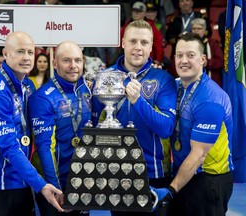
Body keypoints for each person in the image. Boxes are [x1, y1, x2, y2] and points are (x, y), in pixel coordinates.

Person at [0, 31, 64, 216]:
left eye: (30, 52)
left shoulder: (28, 86)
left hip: (19, 177)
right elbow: (9, 147)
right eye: (20, 52)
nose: (26, 57)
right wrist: (41, 185)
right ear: (6, 54)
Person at [92, 19, 177, 216]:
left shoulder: (163, 80)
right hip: (116, 172)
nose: (138, 48)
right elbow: (93, 126)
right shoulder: (105, 77)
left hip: (153, 175)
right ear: (123, 43)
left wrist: (138, 100)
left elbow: (166, 128)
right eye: (133, 41)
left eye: (144, 43)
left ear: (151, 46)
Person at [151, 32, 234, 216]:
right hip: (183, 175)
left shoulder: (210, 99)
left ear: (203, 59)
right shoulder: (176, 86)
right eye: (179, 55)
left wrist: (171, 190)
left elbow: (199, 155)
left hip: (209, 179)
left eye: (190, 55)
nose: (184, 60)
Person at [28, 40, 92, 216]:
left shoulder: (85, 90)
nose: (73, 66)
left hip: (83, 183)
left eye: (78, 60)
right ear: (55, 63)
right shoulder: (42, 98)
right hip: (55, 186)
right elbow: (44, 147)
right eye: (67, 60)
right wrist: (56, 189)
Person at [191, 18, 224, 87]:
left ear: (205, 31)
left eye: (199, 29)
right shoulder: (187, 44)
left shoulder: (213, 44)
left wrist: (207, 63)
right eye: (194, 29)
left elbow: (220, 62)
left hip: (211, 82)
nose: (196, 31)